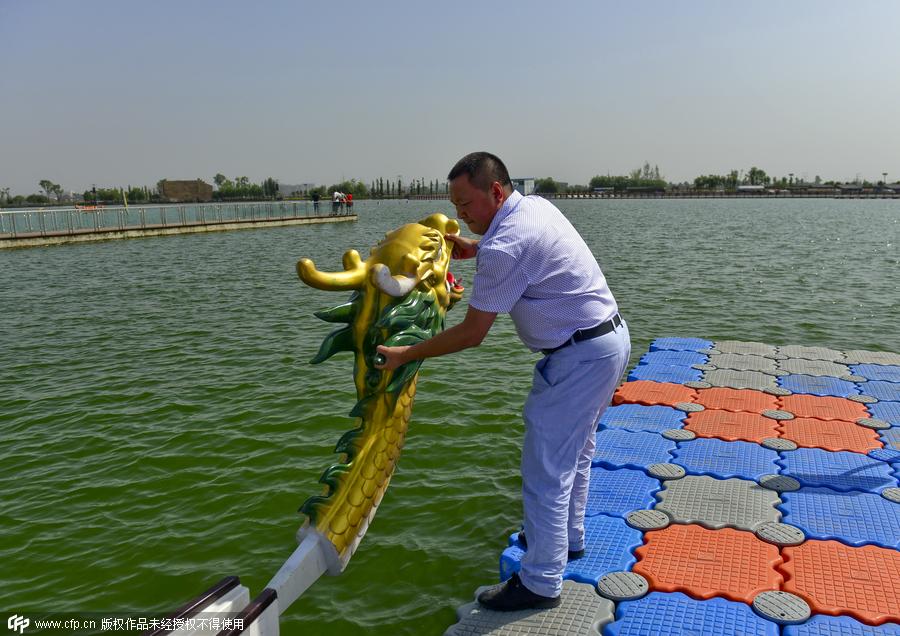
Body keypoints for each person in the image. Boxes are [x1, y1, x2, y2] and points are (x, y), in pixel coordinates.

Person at [375, 152, 630, 611]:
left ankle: (539, 583)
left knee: (546, 471)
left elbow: (473, 334)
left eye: (465, 204)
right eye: (454, 205)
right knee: (577, 452)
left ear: (494, 191)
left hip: (580, 357)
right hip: (607, 340)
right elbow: (523, 254)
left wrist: (406, 354)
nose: (459, 216)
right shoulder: (533, 206)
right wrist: (478, 246)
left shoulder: (504, 246)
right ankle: (567, 540)